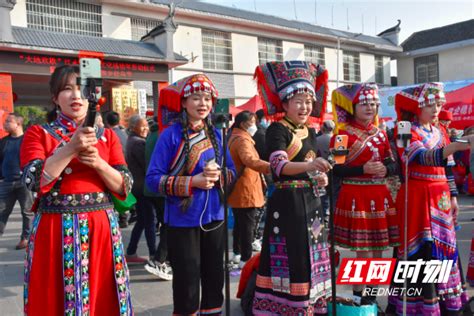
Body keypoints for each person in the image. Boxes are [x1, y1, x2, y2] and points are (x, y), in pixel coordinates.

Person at [20, 65, 133, 315]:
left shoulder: (108, 137)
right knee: (55, 300)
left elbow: (124, 185)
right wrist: (70, 148)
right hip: (54, 230)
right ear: (54, 97)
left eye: (82, 90)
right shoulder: (38, 133)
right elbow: (33, 181)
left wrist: (99, 164)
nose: (76, 96)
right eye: (67, 89)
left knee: (103, 296)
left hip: (101, 229)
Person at [146, 74, 236, 315]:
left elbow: (233, 172)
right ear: (184, 102)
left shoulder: (218, 135)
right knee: (187, 281)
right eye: (196, 98)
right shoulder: (170, 136)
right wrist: (192, 182)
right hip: (182, 218)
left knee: (214, 278)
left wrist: (219, 176)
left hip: (214, 217)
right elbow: (153, 180)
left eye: (207, 98)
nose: (203, 103)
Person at [252, 60, 332, 314]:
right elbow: (278, 166)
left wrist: (321, 176)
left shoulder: (308, 130)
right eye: (298, 101)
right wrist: (310, 168)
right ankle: (287, 307)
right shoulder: (277, 129)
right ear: (285, 103)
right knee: (295, 255)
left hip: (312, 201)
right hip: (288, 203)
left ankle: (311, 305)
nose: (305, 107)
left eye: (308, 101)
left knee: (312, 253)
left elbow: (310, 164)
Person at [387, 82, 470, 315]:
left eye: (438, 104)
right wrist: (459, 145)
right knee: (421, 249)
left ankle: (445, 303)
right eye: (430, 105)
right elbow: (421, 157)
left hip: (441, 197)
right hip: (417, 196)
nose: (436, 109)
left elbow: (447, 168)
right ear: (417, 106)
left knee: (443, 248)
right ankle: (419, 305)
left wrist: (453, 197)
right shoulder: (404, 128)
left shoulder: (439, 131)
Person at [331, 83, 400, 302]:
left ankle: (371, 298)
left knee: (379, 249)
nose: (370, 107)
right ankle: (359, 298)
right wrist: (363, 169)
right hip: (356, 195)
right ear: (352, 107)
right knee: (362, 250)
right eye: (364, 103)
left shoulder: (380, 133)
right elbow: (337, 168)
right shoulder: (341, 134)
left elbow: (393, 162)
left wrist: (386, 169)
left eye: (373, 103)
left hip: (379, 195)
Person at [228, 110, 270, 269]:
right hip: (246, 189)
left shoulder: (235, 137)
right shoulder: (243, 141)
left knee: (240, 224)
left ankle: (237, 254)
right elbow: (250, 160)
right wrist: (271, 167)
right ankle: (246, 259)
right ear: (243, 124)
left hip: (240, 189)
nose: (255, 125)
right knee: (247, 226)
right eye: (252, 122)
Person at [124, 115, 158, 264]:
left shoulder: (133, 140)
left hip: (138, 187)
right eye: (142, 126)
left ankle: (131, 251)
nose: (145, 129)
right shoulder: (138, 143)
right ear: (133, 127)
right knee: (150, 220)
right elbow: (147, 165)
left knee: (143, 220)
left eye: (146, 126)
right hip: (143, 187)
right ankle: (153, 254)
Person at [143, 115, 172, 280]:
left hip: (152, 188)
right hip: (160, 188)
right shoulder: (163, 136)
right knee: (168, 224)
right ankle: (159, 260)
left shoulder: (152, 135)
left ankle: (164, 259)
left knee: (164, 224)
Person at [0, 113, 34, 249]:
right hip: (6, 182)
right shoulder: (3, 141)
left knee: (27, 212)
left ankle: (25, 239)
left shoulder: (28, 140)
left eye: (9, 121)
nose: (5, 124)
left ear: (18, 124)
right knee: (1, 211)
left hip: (24, 182)